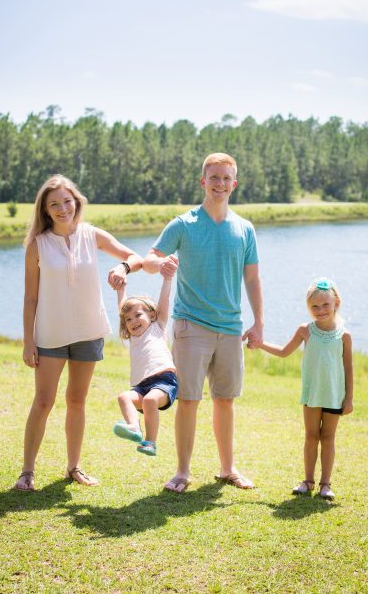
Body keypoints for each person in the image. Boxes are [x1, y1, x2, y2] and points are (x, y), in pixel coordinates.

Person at [143, 153, 264, 492]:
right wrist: (161, 264)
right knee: (190, 400)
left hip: (230, 328)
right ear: (203, 181)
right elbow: (151, 258)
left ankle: (228, 469)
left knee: (224, 399)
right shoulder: (183, 224)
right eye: (214, 178)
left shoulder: (245, 228)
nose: (220, 184)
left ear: (234, 184)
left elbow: (253, 280)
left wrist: (259, 323)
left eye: (227, 178)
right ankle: (182, 472)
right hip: (190, 325)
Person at [14, 174, 142, 491]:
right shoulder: (37, 245)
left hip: (88, 331)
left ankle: (74, 467)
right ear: (45, 210)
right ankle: (27, 472)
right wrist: (28, 341)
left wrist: (122, 268)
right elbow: (30, 298)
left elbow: (134, 257)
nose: (62, 208)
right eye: (54, 204)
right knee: (43, 402)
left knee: (77, 401)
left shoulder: (91, 234)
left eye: (66, 201)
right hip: (50, 334)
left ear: (77, 202)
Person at [259, 278, 353, 500]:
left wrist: (349, 399)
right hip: (312, 395)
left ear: (336, 303)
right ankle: (308, 481)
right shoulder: (305, 330)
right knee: (311, 437)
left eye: (325, 305)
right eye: (315, 307)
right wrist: (260, 343)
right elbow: (283, 352)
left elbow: (348, 368)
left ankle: (325, 484)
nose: (320, 310)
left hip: (334, 396)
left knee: (328, 438)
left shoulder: (344, 335)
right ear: (309, 308)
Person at [113, 260, 179, 457]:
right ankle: (134, 427)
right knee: (124, 397)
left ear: (151, 315)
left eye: (137, 315)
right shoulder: (133, 337)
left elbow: (164, 300)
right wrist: (120, 289)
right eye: (128, 319)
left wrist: (167, 279)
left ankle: (150, 442)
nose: (133, 321)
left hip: (164, 382)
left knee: (150, 401)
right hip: (141, 386)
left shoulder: (157, 326)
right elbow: (121, 308)